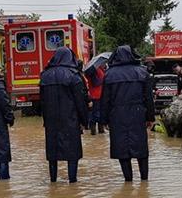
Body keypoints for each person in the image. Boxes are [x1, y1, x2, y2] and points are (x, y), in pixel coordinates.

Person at [100, 45, 155, 182]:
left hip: (117, 115)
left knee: (122, 148)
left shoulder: (109, 75)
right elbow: (148, 98)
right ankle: (144, 180)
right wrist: (150, 117)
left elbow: (105, 100)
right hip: (138, 114)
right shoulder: (142, 72)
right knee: (141, 147)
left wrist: (104, 119)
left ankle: (128, 179)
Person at [40, 47, 90, 183]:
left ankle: (53, 180)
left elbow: (42, 102)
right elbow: (80, 102)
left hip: (51, 121)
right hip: (70, 119)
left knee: (52, 152)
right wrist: (85, 121)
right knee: (72, 153)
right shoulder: (74, 76)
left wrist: (45, 120)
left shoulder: (45, 76)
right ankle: (72, 181)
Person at [87, 63, 106, 135]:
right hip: (95, 96)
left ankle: (100, 130)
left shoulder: (100, 70)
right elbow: (95, 83)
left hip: (100, 95)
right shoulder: (93, 71)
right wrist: (103, 79)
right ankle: (94, 131)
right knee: (94, 113)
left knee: (99, 112)